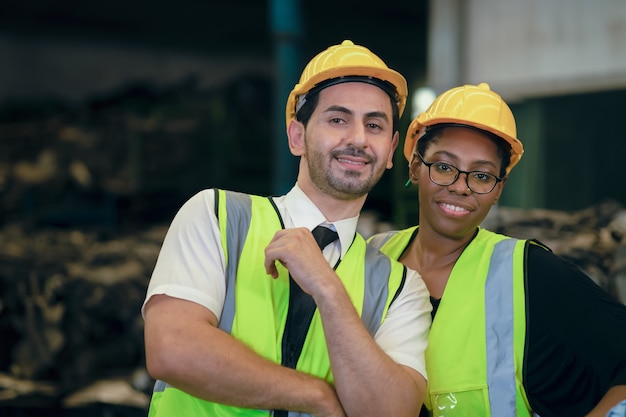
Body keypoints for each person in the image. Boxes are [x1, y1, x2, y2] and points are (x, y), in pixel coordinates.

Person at [141, 40, 432, 417]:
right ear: (297, 137)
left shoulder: (401, 288)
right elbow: (171, 348)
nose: (358, 139)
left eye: (374, 125)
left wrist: (327, 288)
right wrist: (316, 396)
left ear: (391, 150)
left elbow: (390, 412)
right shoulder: (217, 215)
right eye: (338, 119)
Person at [368, 82, 626, 417]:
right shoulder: (372, 258)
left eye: (481, 176)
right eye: (444, 167)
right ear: (416, 167)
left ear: (498, 189)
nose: (461, 187)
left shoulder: (529, 272)